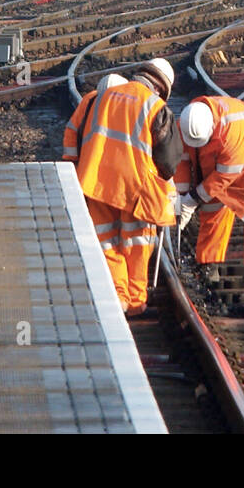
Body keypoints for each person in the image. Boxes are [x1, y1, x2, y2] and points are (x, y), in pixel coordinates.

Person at [73, 58, 182, 316]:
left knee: (107, 242)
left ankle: (118, 296)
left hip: (96, 182)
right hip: (135, 189)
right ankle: (135, 301)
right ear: (160, 88)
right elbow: (169, 161)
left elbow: (80, 137)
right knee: (137, 241)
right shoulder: (155, 107)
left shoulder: (100, 97)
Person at [175, 95, 244, 282]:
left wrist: (192, 198)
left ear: (212, 129)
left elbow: (223, 178)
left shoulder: (233, 133)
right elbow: (182, 161)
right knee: (212, 205)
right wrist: (180, 197)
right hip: (222, 161)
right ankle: (208, 264)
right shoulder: (188, 122)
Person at [61, 72, 124, 166]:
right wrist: (71, 161)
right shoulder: (89, 101)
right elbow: (72, 129)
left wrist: (72, 161)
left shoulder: (90, 100)